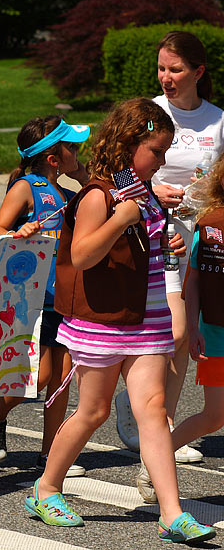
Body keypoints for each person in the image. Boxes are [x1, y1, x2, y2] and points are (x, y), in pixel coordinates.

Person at [24, 98, 215, 544]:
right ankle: (47, 487)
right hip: (104, 321)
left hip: (147, 318)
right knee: (93, 410)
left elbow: (141, 242)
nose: (163, 160)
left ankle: (172, 513)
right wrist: (121, 219)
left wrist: (165, 240)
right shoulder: (100, 194)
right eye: (157, 151)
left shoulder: (140, 190)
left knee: (154, 411)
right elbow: (82, 255)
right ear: (129, 143)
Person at [115, 31, 224, 462]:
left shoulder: (218, 119)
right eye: (161, 68)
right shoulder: (148, 114)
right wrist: (150, 191)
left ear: (198, 72)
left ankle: (160, 424)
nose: (166, 77)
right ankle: (139, 405)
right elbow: (116, 169)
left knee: (184, 335)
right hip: (149, 227)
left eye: (175, 69)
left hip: (200, 236)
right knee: (173, 329)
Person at [0, 116, 90, 476]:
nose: (79, 152)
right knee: (40, 378)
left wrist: (85, 176)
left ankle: (49, 453)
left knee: (61, 381)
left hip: (67, 297)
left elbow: (106, 199)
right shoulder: (26, 187)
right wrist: (21, 231)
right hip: (35, 299)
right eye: (71, 148)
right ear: (53, 158)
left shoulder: (74, 193)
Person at [136, 156, 224, 503]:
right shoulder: (213, 223)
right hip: (217, 331)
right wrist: (193, 326)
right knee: (215, 416)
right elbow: (196, 279)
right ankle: (155, 457)